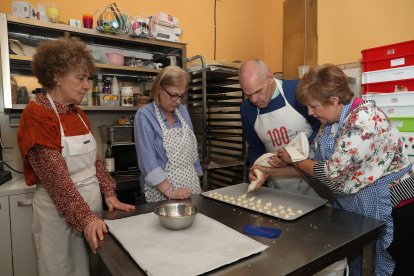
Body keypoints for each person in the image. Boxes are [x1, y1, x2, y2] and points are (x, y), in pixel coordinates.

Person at [274, 64, 414, 275]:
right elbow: (314, 165)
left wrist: (295, 159)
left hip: (395, 207)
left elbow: (331, 173)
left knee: (394, 267)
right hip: (362, 208)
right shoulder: (330, 123)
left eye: (313, 106)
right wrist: (271, 170)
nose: (310, 113)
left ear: (334, 100)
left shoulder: (364, 120)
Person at [17, 36, 135, 276]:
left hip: (90, 212)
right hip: (58, 218)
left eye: (87, 79)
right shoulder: (37, 114)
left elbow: (95, 163)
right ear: (58, 77)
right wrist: (86, 219)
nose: (86, 85)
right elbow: (56, 179)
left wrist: (109, 194)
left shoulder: (78, 114)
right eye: (80, 78)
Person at [239, 59, 321, 196]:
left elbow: (321, 129)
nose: (254, 100)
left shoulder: (297, 91)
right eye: (248, 94)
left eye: (258, 91)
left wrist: (293, 155)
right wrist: (256, 169)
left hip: (311, 179)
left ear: (270, 78)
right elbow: (256, 146)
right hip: (277, 182)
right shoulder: (247, 110)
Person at [134, 65, 203, 202]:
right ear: (159, 89)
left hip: (190, 187)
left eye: (181, 96)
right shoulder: (145, 116)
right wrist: (171, 191)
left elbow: (191, 151)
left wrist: (197, 183)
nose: (177, 101)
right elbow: (148, 162)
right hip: (162, 192)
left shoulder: (182, 111)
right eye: (173, 95)